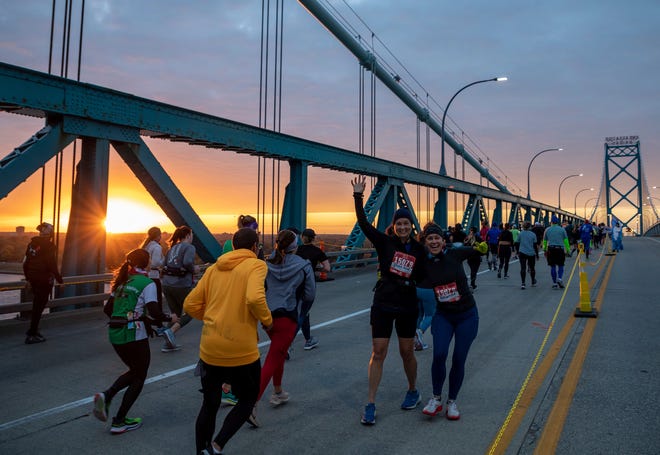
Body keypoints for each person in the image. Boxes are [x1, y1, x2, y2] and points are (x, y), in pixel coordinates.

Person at [183, 228, 273, 455]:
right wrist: (267, 321)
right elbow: (254, 297)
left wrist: (214, 318)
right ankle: (216, 445)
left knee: (209, 405)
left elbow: (190, 305)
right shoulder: (256, 265)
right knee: (248, 399)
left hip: (210, 348)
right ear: (255, 247)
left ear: (233, 246)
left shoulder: (213, 269)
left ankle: (201, 451)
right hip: (240, 349)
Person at [351, 176, 427, 425]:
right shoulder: (384, 242)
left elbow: (431, 271)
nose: (403, 227)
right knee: (378, 351)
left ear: (411, 226)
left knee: (406, 352)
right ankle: (370, 403)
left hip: (407, 305)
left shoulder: (418, 249)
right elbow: (363, 223)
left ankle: (413, 390)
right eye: (399, 224)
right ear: (393, 226)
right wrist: (359, 196)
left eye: (406, 223)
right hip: (383, 303)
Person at [92, 248, 178, 434]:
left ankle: (108, 398)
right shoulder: (147, 283)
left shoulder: (122, 282)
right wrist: (170, 318)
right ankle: (118, 418)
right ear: (146, 263)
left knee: (135, 372)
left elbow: (108, 310)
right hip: (133, 334)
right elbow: (155, 312)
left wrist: (139, 316)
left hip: (115, 334)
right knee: (140, 376)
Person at [416, 223, 487, 421]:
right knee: (439, 354)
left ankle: (452, 402)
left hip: (467, 315)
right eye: (430, 238)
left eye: (437, 238)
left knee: (458, 358)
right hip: (444, 316)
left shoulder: (454, 253)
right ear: (425, 242)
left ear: (442, 239)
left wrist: (482, 248)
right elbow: (409, 277)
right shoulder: (424, 262)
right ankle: (436, 398)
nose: (434, 241)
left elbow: (477, 249)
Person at [252, 230, 315, 424]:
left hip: (268, 318)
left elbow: (260, 288)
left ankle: (278, 391)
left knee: (278, 353)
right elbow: (309, 294)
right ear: (295, 246)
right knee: (272, 358)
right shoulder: (303, 266)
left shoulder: (266, 264)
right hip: (288, 318)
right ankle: (250, 405)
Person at [22, 222, 63, 344]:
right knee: (39, 307)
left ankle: (33, 331)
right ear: (50, 234)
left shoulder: (31, 245)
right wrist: (60, 281)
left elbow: (25, 263)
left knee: (36, 305)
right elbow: (52, 265)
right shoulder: (49, 246)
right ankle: (32, 334)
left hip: (33, 279)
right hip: (44, 280)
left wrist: (28, 278)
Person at [161, 225, 197, 352]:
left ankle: (167, 344)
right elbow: (187, 262)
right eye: (192, 234)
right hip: (181, 285)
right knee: (191, 311)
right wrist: (194, 269)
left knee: (175, 315)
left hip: (166, 284)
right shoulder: (189, 247)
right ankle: (171, 331)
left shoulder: (172, 248)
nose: (192, 237)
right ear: (188, 235)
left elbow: (164, 265)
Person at [295, 227, 330, 350]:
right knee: (303, 313)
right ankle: (287, 344)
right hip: (309, 285)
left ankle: (308, 340)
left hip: (296, 284)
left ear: (302, 237)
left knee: (304, 313)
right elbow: (327, 268)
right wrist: (315, 269)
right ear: (313, 238)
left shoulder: (296, 250)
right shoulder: (317, 252)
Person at [542, 216, 570, 289]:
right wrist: (568, 250)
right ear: (558, 222)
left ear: (551, 222)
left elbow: (544, 241)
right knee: (561, 265)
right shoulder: (562, 230)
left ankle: (554, 283)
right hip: (560, 249)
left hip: (551, 249)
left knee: (552, 266)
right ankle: (560, 278)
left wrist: (544, 249)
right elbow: (566, 241)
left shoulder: (547, 230)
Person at [140, 227, 164, 307]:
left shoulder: (146, 246)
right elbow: (154, 263)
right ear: (157, 236)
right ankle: (157, 318)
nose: (161, 237)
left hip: (144, 276)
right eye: (160, 235)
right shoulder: (157, 247)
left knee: (146, 302)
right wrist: (164, 261)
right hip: (154, 277)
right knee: (157, 301)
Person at [517, 222, 539, 289]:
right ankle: (532, 281)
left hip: (522, 252)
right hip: (531, 253)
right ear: (530, 227)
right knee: (532, 268)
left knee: (523, 268)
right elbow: (535, 245)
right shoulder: (533, 234)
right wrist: (537, 254)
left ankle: (523, 283)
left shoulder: (520, 234)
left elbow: (517, 243)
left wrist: (518, 251)